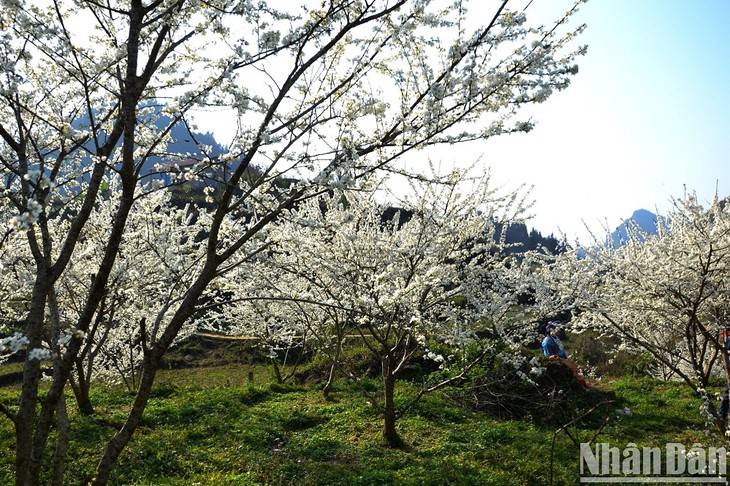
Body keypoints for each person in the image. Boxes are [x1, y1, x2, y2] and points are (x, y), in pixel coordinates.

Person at [541, 321, 586, 387]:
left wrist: (567, 359)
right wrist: (563, 361)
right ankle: (580, 386)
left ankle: (582, 385)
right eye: (557, 329)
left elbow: (561, 350)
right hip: (557, 361)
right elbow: (549, 357)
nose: (559, 330)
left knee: (576, 367)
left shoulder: (556, 338)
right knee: (573, 368)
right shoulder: (547, 342)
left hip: (563, 359)